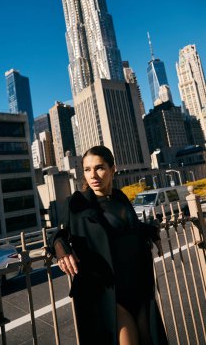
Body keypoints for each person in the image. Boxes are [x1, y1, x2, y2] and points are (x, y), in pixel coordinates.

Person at [52, 145, 168, 345]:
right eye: (87, 169)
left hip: (136, 283)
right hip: (107, 290)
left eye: (99, 168)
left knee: (149, 339)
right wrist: (61, 248)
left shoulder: (120, 198)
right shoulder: (77, 202)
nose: (93, 175)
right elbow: (59, 233)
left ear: (113, 169)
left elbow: (129, 228)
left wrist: (151, 230)